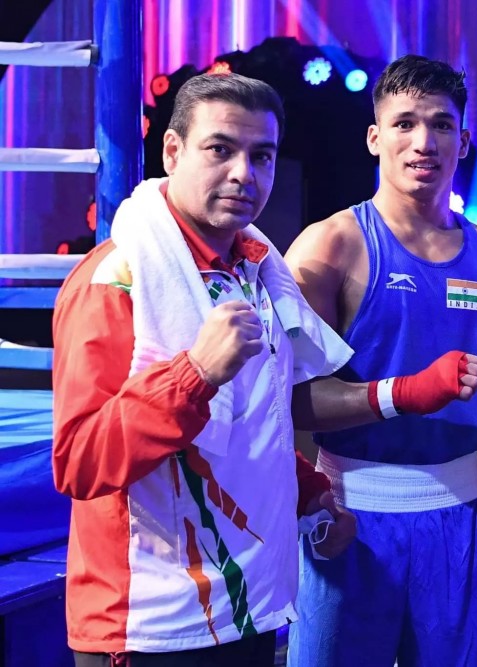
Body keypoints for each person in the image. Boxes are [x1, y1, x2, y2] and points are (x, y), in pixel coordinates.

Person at [52, 73, 360, 666]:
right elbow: (80, 462)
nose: (244, 173)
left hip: (244, 603)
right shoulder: (114, 280)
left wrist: (310, 492)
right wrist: (194, 373)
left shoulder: (255, 272)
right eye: (220, 149)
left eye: (261, 155)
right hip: (148, 622)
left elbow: (249, 427)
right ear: (173, 152)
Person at [284, 54, 477, 667]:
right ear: (374, 137)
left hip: (462, 513)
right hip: (352, 513)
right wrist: (402, 392)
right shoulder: (329, 245)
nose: (424, 141)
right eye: (404, 123)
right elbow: (288, 397)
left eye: (441, 124)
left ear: (464, 141)